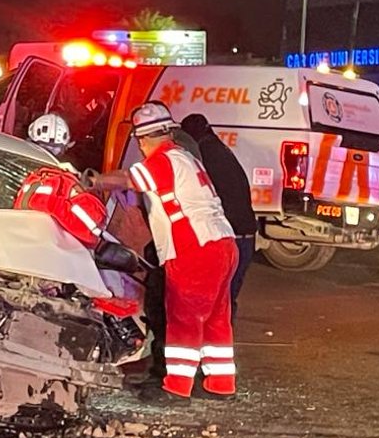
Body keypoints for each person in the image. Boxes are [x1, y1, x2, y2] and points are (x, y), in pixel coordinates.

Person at [91, 102, 238, 399]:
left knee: (184, 318)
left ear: (143, 139)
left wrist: (94, 181)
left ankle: (177, 388)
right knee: (215, 319)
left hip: (193, 248)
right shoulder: (184, 157)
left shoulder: (162, 160)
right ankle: (220, 384)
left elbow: (130, 180)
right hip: (222, 241)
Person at [180, 113, 259, 318]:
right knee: (225, 301)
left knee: (216, 304)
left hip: (230, 236)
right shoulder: (220, 150)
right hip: (245, 235)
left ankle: (214, 345)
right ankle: (221, 345)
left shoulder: (205, 155)